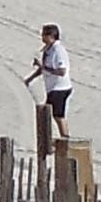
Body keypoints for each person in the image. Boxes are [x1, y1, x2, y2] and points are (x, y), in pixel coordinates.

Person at [22, 23, 72, 160]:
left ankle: (64, 141)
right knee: (51, 113)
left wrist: (43, 67)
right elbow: (43, 69)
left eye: (44, 34)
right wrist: (30, 78)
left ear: (51, 36)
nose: (42, 37)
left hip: (60, 88)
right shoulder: (48, 50)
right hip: (53, 88)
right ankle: (59, 140)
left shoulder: (58, 51)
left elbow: (61, 71)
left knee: (56, 115)